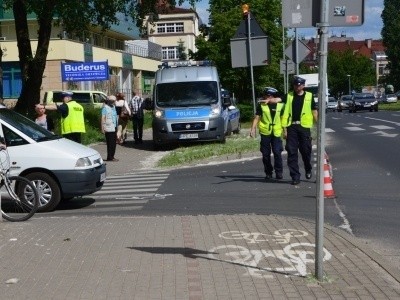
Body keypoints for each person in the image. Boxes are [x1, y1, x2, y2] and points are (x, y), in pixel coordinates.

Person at [282, 76, 318, 185]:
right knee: (291, 152)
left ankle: (308, 168)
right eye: (295, 85)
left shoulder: (309, 96)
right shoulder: (289, 96)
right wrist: (285, 130)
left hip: (304, 127)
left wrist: (319, 125)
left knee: (305, 150)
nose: (297, 87)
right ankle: (295, 177)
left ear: (303, 86)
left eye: (299, 85)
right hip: (291, 127)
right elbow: (279, 100)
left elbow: (314, 111)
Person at [250, 87, 284, 180]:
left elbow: (283, 119)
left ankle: (279, 172)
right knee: (265, 154)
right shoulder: (261, 105)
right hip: (265, 132)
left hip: (276, 132)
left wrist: (285, 131)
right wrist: (252, 129)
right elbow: (257, 117)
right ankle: (268, 172)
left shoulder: (280, 105)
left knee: (277, 152)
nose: (267, 97)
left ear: (273, 96)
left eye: (269, 95)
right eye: (265, 95)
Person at [101, 95, 118, 161]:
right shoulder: (105, 108)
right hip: (108, 127)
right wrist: (102, 127)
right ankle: (110, 157)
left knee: (114, 143)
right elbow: (103, 118)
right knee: (110, 143)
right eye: (113, 101)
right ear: (109, 101)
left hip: (114, 127)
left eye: (114, 100)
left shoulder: (113, 107)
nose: (114, 102)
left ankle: (112, 156)